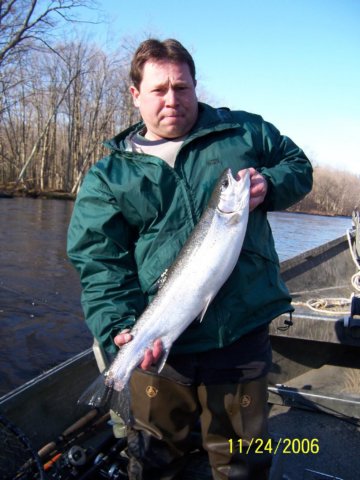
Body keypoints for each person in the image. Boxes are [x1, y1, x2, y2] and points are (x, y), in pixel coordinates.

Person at [67, 38, 313, 480]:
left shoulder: (243, 131)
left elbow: (298, 166)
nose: (172, 100)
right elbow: (99, 263)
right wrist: (119, 328)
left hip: (242, 332)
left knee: (242, 460)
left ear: (196, 86)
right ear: (135, 94)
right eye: (159, 89)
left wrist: (270, 184)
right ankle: (118, 386)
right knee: (157, 458)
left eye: (181, 87)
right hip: (163, 346)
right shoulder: (110, 175)